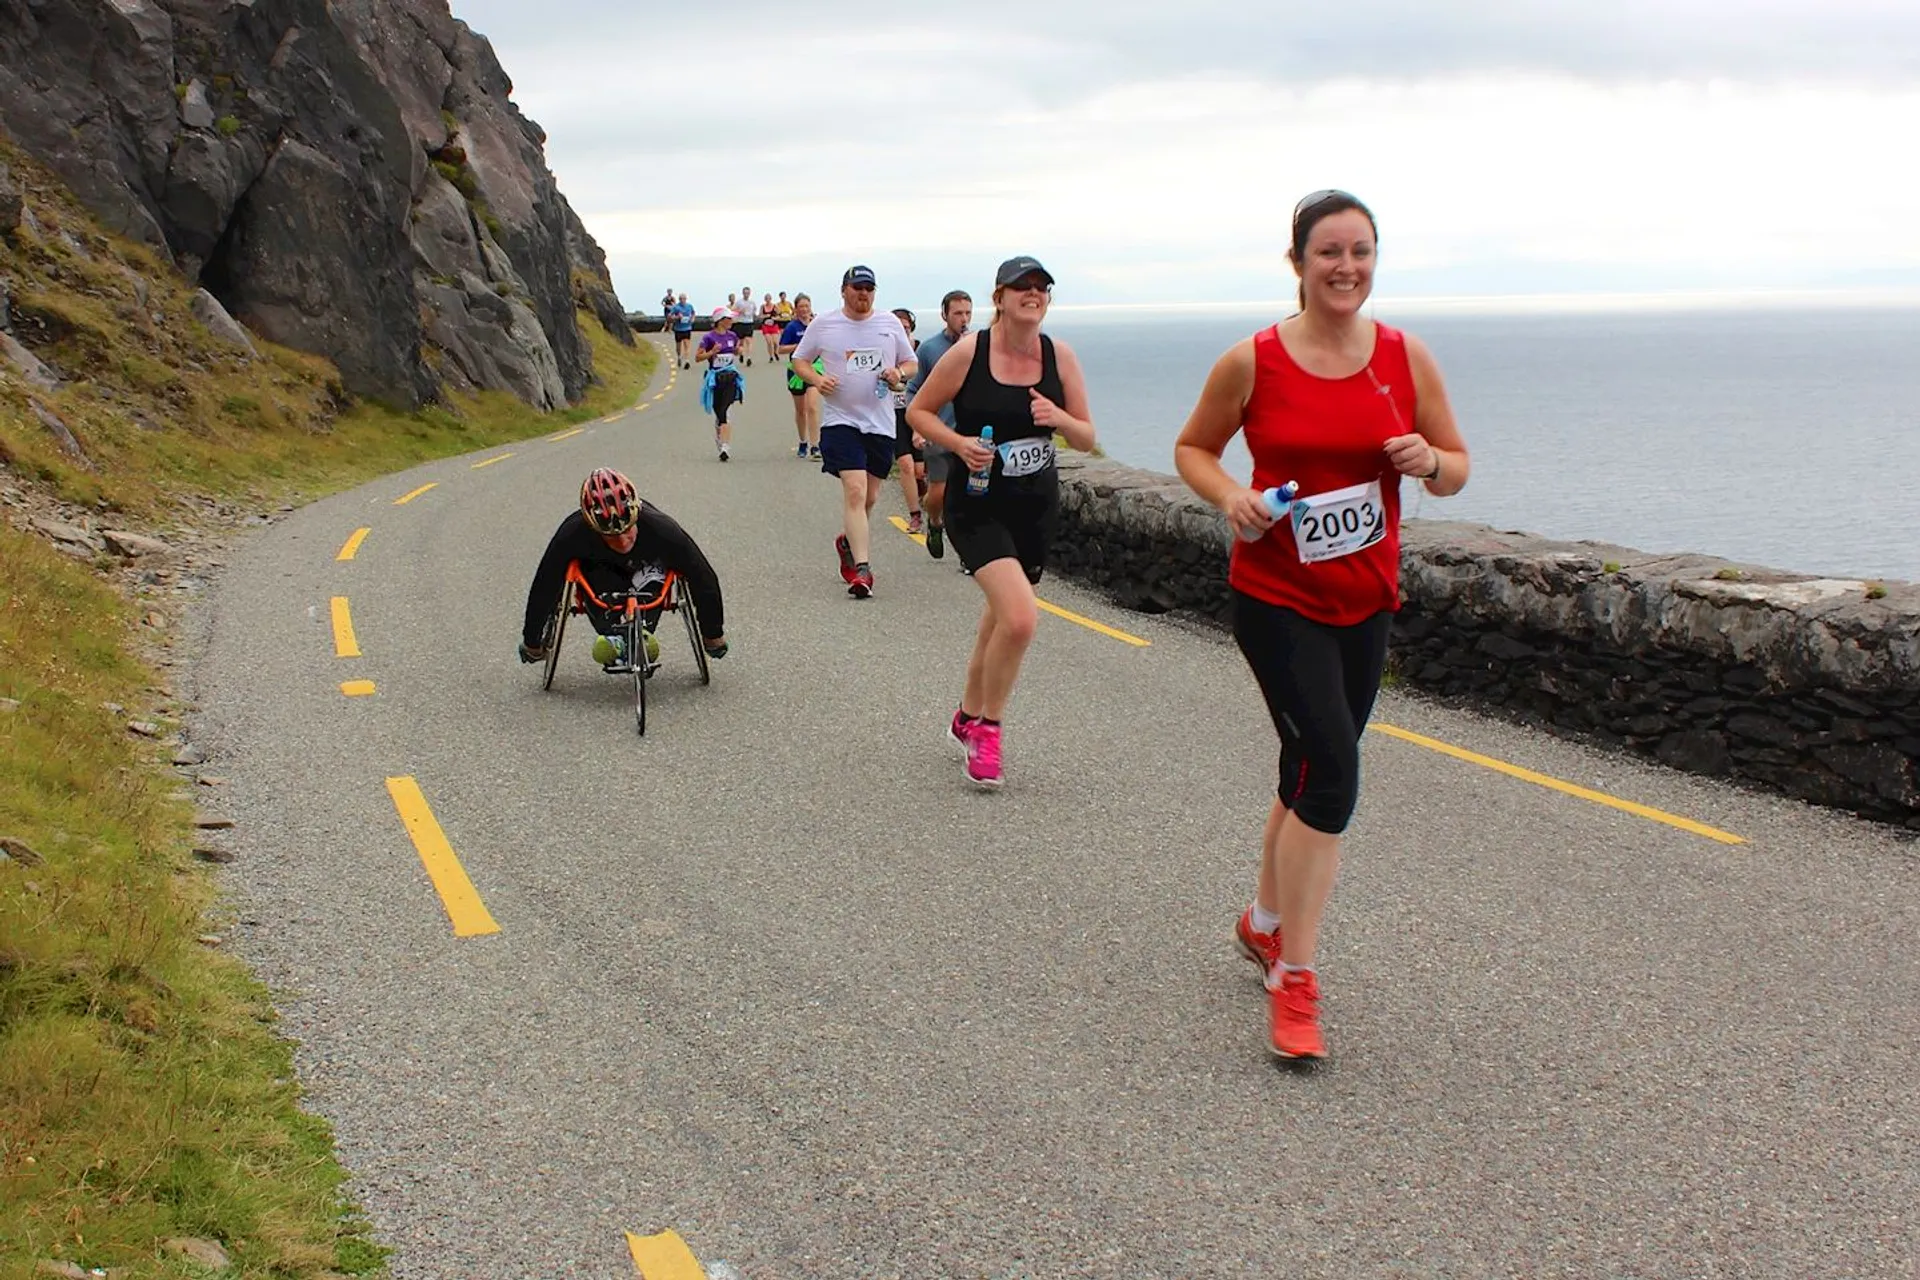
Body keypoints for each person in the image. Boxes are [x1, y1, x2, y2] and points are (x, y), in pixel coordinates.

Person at [1172, 189, 1470, 1062]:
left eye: (1362, 252)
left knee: (1304, 766)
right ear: (1297, 262)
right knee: (1334, 778)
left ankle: (1264, 923)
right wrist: (1233, 498)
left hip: (1366, 599)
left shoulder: (1404, 357)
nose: (1347, 267)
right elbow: (1194, 450)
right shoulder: (1253, 361)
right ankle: (1295, 979)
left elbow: (1456, 469)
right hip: (1275, 599)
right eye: (1329, 252)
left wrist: (1430, 461)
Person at [907, 256, 1095, 788]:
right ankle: (987, 729)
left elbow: (1084, 435)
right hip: (978, 503)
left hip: (1035, 504)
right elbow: (918, 412)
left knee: (1000, 613)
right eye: (1021, 288)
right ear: (1001, 297)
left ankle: (966, 713)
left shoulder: (1061, 357)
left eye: (1041, 288)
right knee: (1019, 617)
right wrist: (959, 443)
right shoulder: (972, 351)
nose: (1032, 295)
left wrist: (1059, 420)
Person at [517, 467, 728, 672]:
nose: (622, 540)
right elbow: (545, 585)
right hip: (599, 575)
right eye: (610, 535)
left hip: (647, 570)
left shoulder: (662, 528)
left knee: (661, 576)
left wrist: (712, 634)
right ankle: (615, 636)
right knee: (599, 598)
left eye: (627, 530)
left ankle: (638, 636)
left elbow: (703, 577)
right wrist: (533, 640)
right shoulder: (572, 533)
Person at [791, 265, 917, 599]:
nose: (864, 294)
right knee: (856, 491)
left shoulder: (889, 323)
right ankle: (862, 570)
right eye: (858, 287)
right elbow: (799, 361)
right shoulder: (826, 323)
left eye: (869, 288)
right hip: (840, 420)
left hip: (880, 421)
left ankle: (848, 541)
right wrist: (817, 380)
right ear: (844, 290)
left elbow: (911, 363)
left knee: (871, 497)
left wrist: (897, 372)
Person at [904, 289, 972, 560]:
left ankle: (969, 553)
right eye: (957, 313)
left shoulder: (979, 345)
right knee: (939, 494)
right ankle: (934, 523)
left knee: (973, 494)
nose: (963, 319)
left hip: (973, 435)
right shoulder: (930, 349)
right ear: (945, 315)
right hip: (939, 432)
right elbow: (913, 390)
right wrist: (918, 428)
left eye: (968, 313)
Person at [888, 307, 926, 534]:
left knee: (920, 471)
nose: (902, 333)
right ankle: (915, 515)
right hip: (894, 414)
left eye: (906, 329)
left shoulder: (923, 352)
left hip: (919, 413)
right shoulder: (885, 354)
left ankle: (923, 499)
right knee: (905, 464)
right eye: (897, 329)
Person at [696, 309, 745, 461]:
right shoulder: (709, 337)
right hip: (716, 379)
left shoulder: (732, 336)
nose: (731, 322)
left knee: (725, 410)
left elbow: (736, 352)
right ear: (720, 320)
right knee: (719, 412)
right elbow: (698, 357)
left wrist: (738, 350)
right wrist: (712, 352)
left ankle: (725, 447)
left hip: (730, 377)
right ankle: (720, 433)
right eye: (729, 319)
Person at [779, 294, 822, 460]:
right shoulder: (791, 327)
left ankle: (815, 445)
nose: (804, 309)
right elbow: (781, 349)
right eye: (801, 306)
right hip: (796, 370)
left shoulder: (817, 325)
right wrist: (797, 346)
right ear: (796, 309)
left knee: (812, 407)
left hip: (814, 369)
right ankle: (803, 441)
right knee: (801, 410)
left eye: (807, 306)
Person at [669, 292, 695, 368]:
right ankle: (679, 357)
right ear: (679, 299)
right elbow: (670, 317)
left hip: (687, 328)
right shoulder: (676, 307)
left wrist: (692, 319)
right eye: (681, 299)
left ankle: (687, 361)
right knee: (678, 347)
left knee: (687, 345)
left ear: (686, 299)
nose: (682, 300)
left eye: (684, 299)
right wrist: (677, 317)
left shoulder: (689, 306)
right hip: (678, 329)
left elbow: (693, 313)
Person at [759, 292, 782, 363]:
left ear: (771, 299)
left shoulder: (775, 306)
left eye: (769, 298)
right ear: (765, 299)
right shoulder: (762, 306)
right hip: (765, 326)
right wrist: (765, 316)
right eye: (766, 299)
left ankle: (776, 353)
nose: (767, 300)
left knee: (775, 342)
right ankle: (771, 356)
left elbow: (780, 315)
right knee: (769, 342)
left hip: (773, 326)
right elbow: (760, 316)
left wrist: (775, 318)